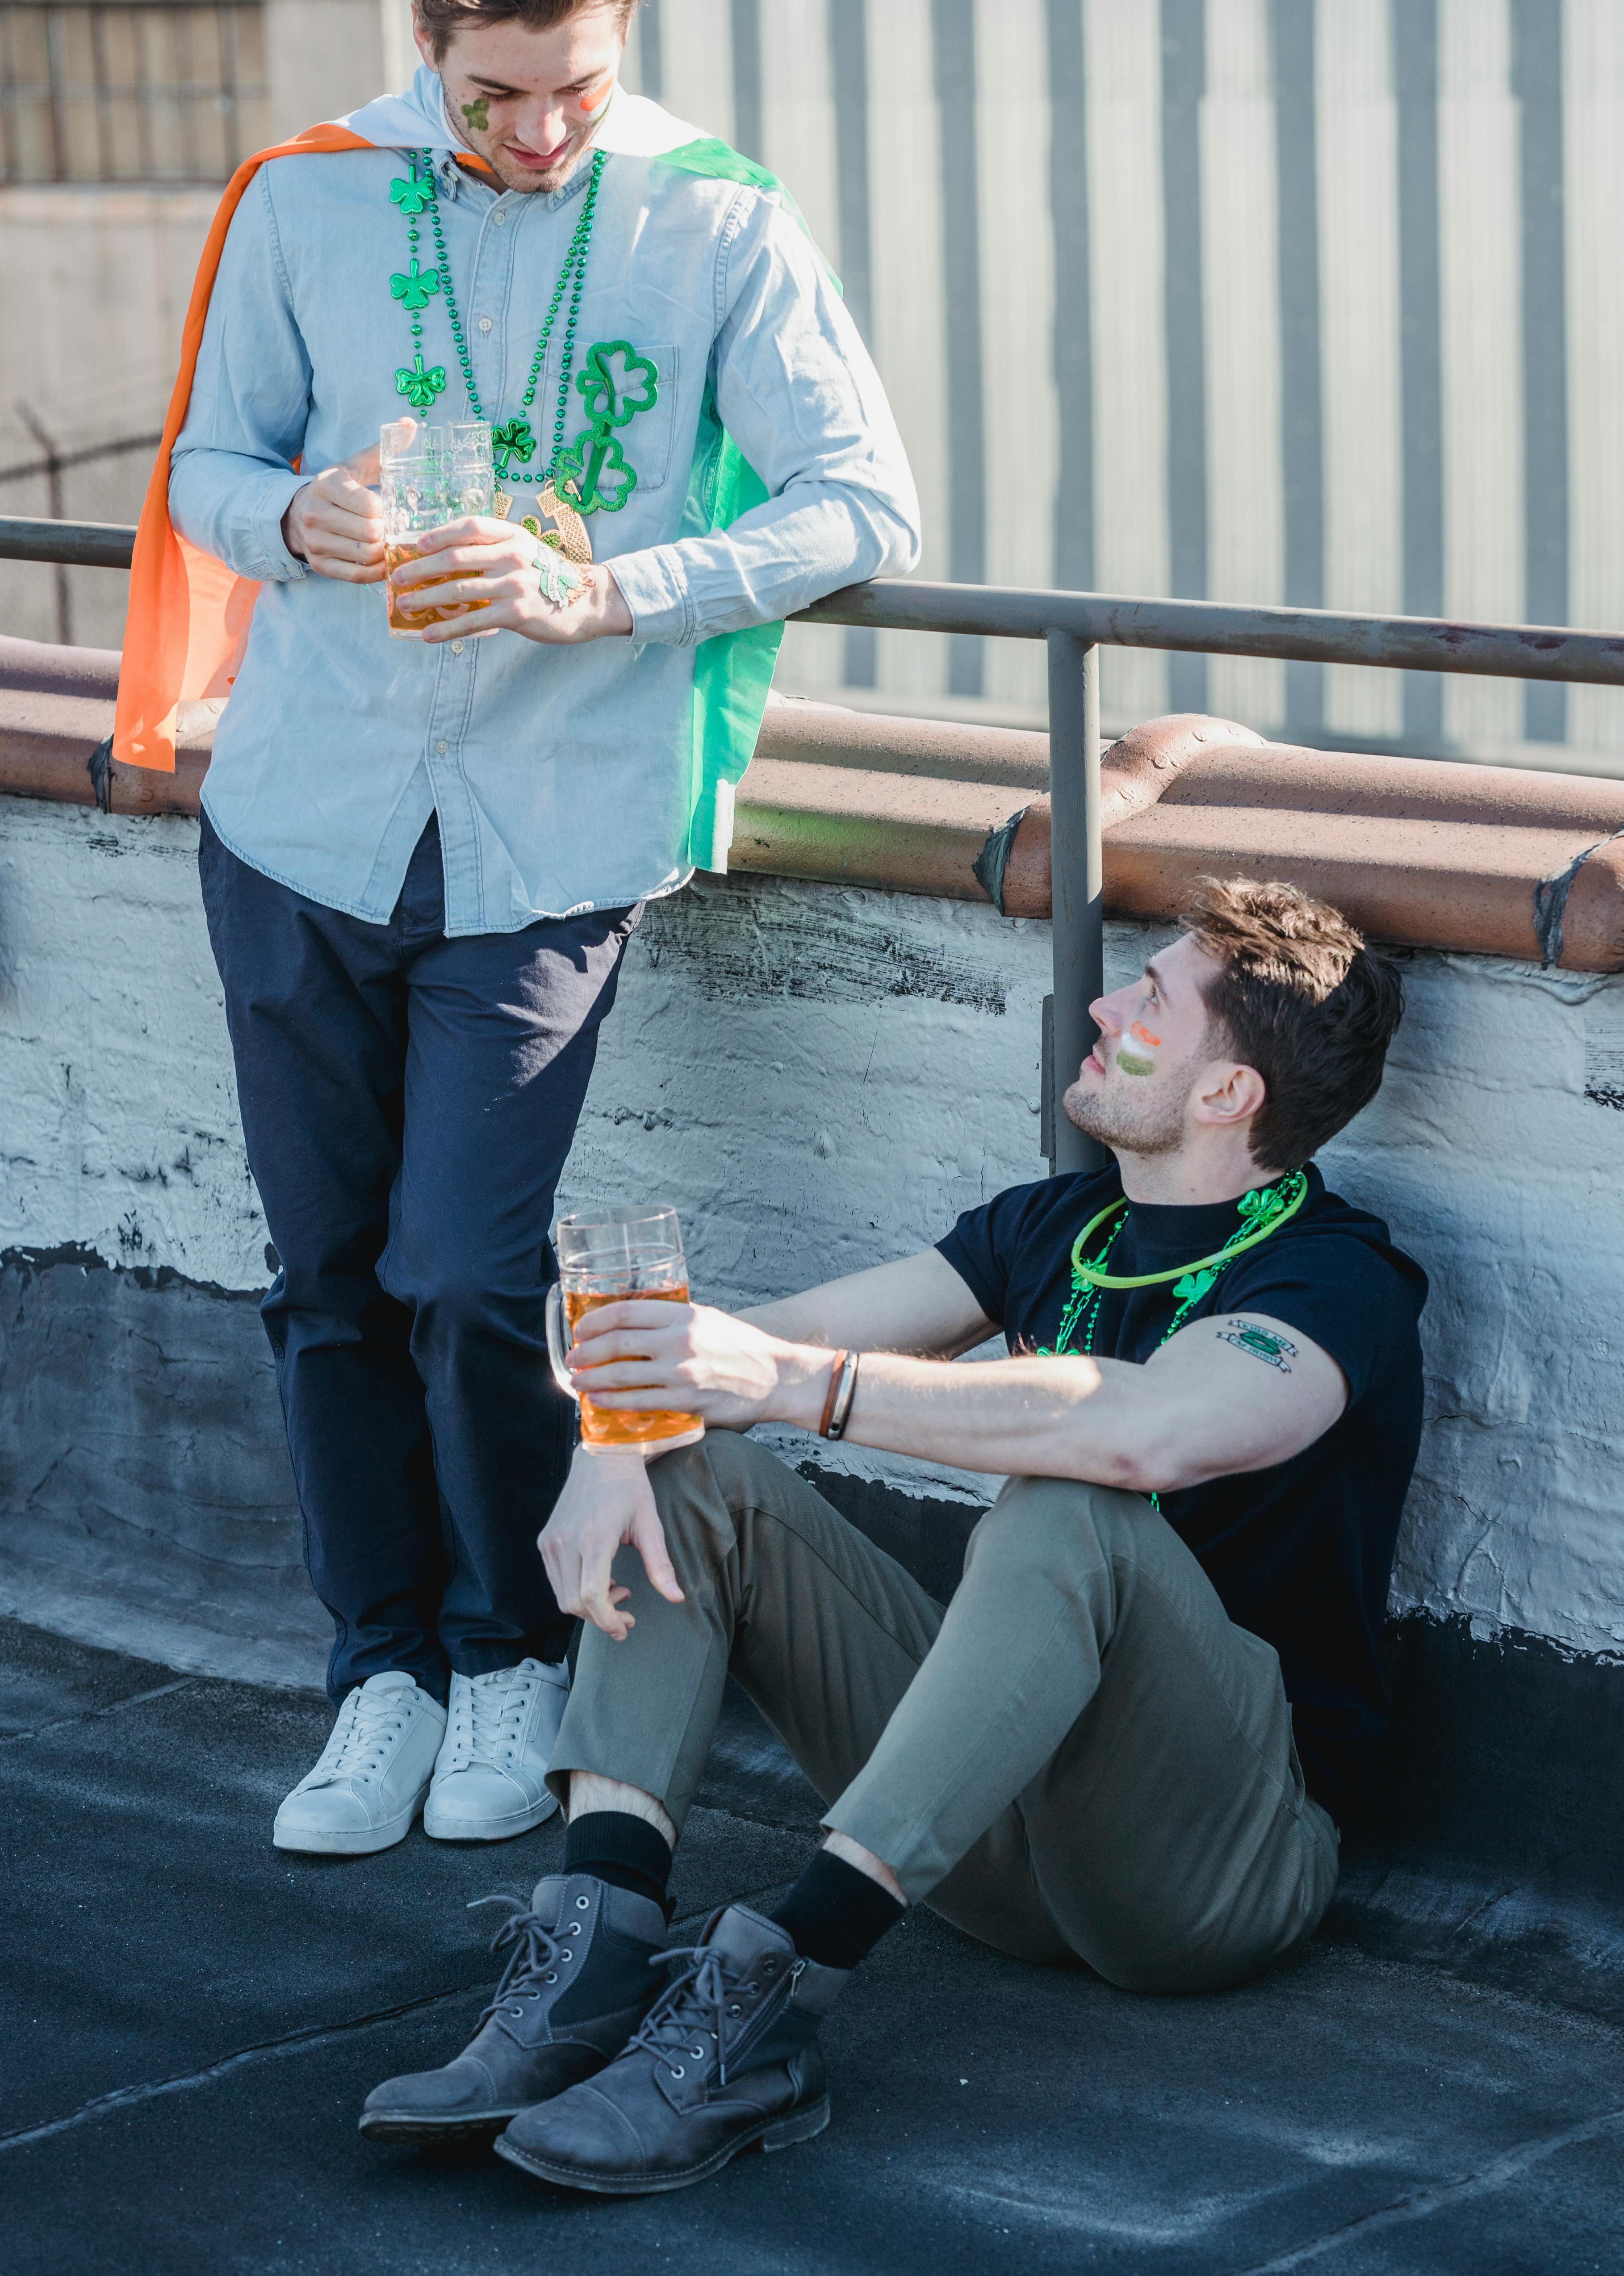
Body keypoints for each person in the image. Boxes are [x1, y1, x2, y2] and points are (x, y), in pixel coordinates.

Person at [134, 0, 919, 1855]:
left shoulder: (717, 215)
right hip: (301, 822)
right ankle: (375, 1676)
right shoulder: (303, 191)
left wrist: (615, 593)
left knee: (470, 1279)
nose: (545, 131)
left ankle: (506, 1667)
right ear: (428, 48)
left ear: (619, 38)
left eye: (578, 83)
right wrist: (288, 523)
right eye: (498, 97)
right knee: (324, 1281)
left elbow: (862, 506)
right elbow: (207, 466)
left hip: (553, 840)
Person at [360, 876, 1426, 2193]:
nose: (1100, 1003)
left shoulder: (1336, 1276)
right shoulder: (1057, 1227)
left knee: (1074, 1498)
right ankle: (589, 1965)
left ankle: (770, 2007)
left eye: (1150, 998)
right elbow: (753, 1352)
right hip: (994, 1842)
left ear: (1227, 1094)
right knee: (704, 1467)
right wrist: (618, 1437)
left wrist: (796, 1388)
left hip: (1211, 1871)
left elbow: (1151, 1433)